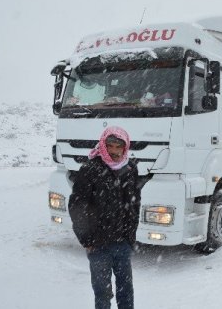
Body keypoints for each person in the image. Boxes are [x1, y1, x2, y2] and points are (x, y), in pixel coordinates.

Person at [68, 126, 141, 309]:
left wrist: (130, 236)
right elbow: (77, 206)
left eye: (119, 146)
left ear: (125, 147)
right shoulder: (90, 169)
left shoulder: (130, 169)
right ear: (103, 145)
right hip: (98, 244)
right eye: (110, 146)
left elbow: (134, 204)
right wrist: (87, 239)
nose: (115, 151)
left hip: (122, 243)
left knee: (126, 290)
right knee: (102, 293)